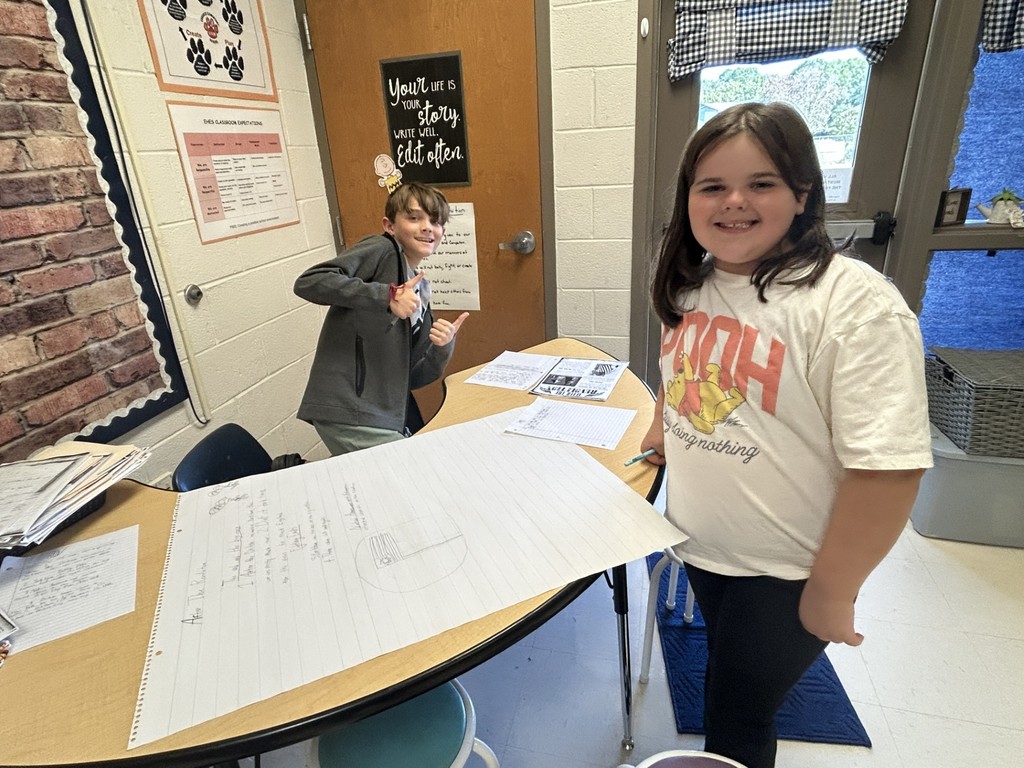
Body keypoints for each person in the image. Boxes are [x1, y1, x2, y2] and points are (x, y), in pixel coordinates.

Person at [640, 102, 932, 768]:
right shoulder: (691, 284)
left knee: (738, 714)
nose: (733, 201)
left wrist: (834, 588)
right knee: (727, 674)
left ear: (803, 193)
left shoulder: (854, 304)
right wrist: (662, 426)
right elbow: (680, 374)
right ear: (688, 198)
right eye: (712, 186)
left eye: (761, 184)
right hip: (705, 546)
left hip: (789, 572)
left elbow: (889, 469)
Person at [295, 182, 468, 455]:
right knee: (414, 470)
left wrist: (442, 348)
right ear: (390, 226)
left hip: (382, 414)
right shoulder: (383, 249)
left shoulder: (419, 290)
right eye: (414, 218)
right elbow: (309, 282)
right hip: (349, 409)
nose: (427, 227)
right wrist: (386, 296)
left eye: (435, 222)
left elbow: (413, 378)